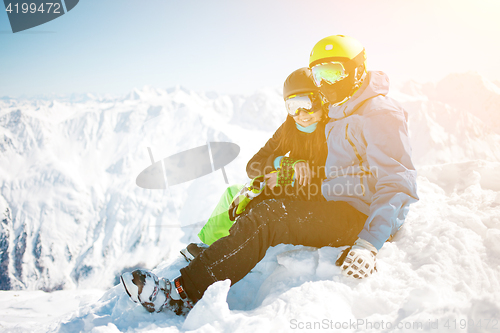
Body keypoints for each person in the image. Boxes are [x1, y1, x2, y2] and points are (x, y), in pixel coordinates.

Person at [121, 35, 419, 315]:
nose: (325, 83)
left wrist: (368, 243)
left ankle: (180, 293)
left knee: (270, 216)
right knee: (260, 199)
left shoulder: (379, 113)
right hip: (336, 199)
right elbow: (339, 170)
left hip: (360, 217)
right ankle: (219, 255)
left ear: (356, 69)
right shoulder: (342, 108)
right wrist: (273, 180)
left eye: (332, 72)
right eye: (319, 75)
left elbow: (398, 182)